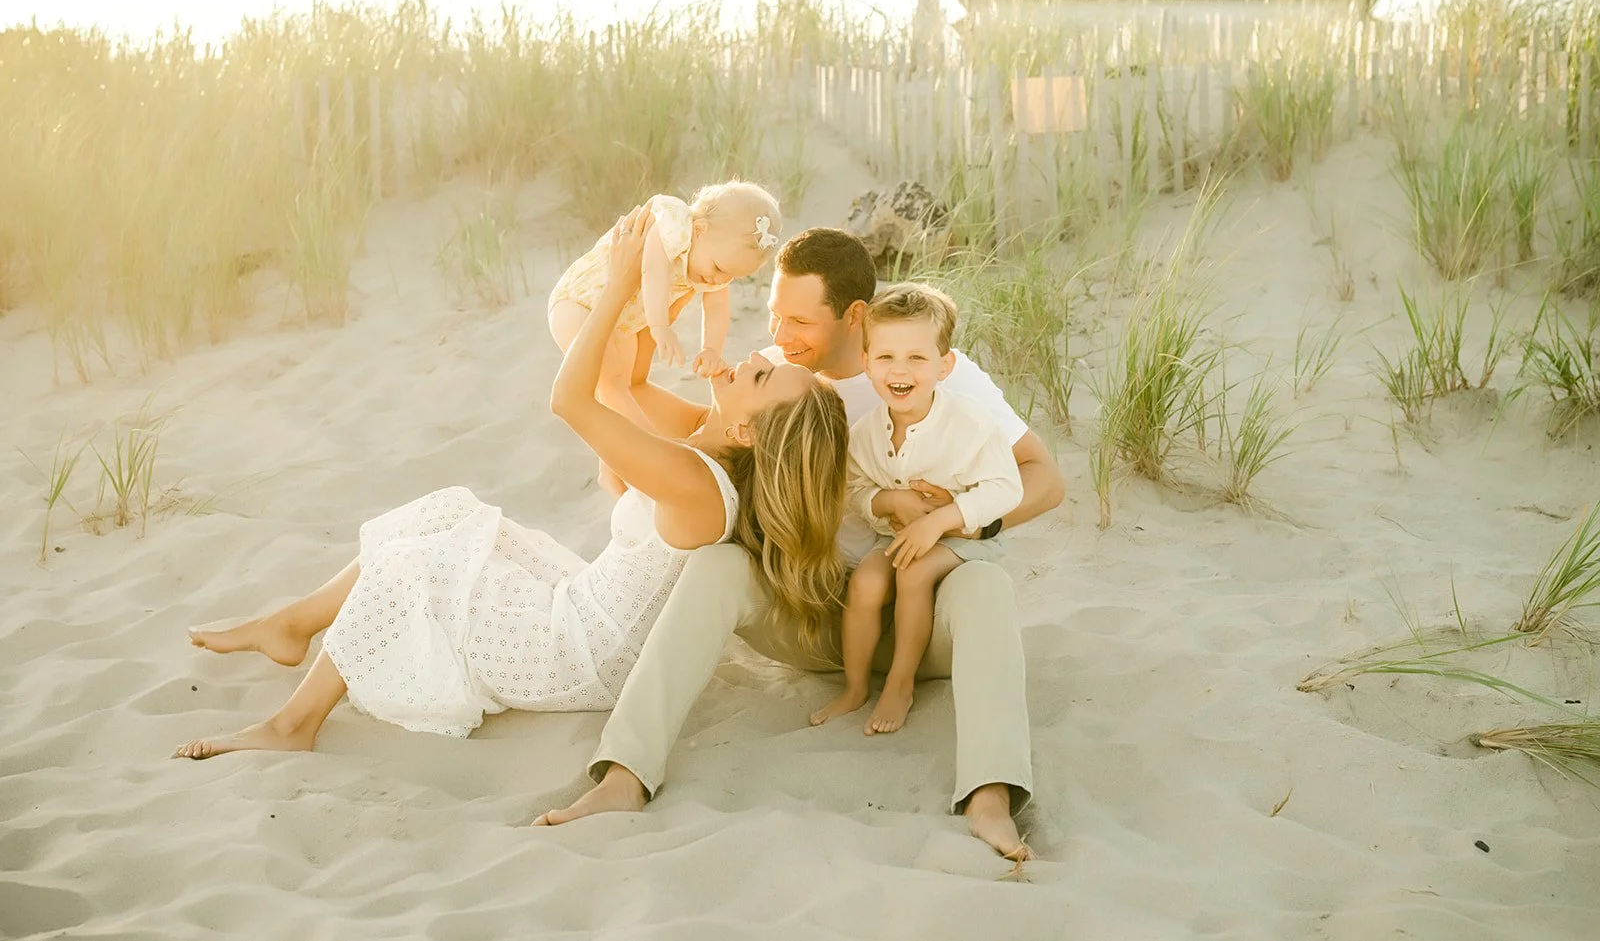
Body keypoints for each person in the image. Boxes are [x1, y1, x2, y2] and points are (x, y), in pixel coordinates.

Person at [174, 206, 848, 761]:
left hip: (576, 649)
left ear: (751, 434)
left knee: (419, 566)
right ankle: (292, 624)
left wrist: (613, 290)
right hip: (584, 597)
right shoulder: (707, 437)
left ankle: (294, 726)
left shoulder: (698, 482)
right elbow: (631, 383)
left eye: (760, 377)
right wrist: (657, 286)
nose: (750, 360)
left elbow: (571, 401)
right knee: (451, 511)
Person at [538, 228, 1066, 861]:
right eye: (773, 317)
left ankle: (989, 795)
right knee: (718, 564)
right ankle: (626, 774)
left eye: (799, 321)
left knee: (985, 582)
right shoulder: (781, 380)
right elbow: (688, 431)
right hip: (811, 619)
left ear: (854, 317)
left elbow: (1044, 478)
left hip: (914, 618)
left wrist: (950, 519)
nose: (779, 337)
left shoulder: (920, 368)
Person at [810, 283, 1022, 734]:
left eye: (917, 358)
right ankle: (854, 686)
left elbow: (1006, 487)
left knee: (914, 571)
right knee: (866, 582)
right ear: (866, 362)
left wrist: (944, 519)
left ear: (944, 366)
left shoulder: (969, 421)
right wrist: (884, 500)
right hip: (897, 535)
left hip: (966, 540)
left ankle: (900, 683)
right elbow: (853, 488)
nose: (899, 370)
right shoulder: (868, 432)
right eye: (885, 357)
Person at [548, 181, 782, 496]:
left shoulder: (713, 261)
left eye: (730, 276)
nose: (717, 279)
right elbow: (652, 270)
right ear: (699, 230)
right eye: (718, 268)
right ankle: (658, 457)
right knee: (613, 383)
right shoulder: (674, 223)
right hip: (578, 302)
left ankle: (613, 464)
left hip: (624, 320)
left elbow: (716, 306)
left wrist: (711, 348)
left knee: (626, 385)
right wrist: (659, 327)